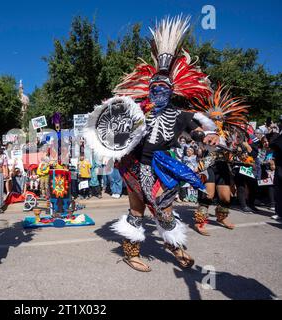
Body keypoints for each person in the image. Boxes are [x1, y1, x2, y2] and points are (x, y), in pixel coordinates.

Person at [108, 16, 219, 272]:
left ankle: (175, 245)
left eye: (162, 88)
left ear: (172, 91)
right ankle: (131, 252)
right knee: (137, 211)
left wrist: (208, 137)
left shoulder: (182, 116)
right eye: (153, 88)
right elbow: (115, 133)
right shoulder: (137, 112)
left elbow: (199, 131)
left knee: (165, 210)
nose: (157, 91)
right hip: (134, 165)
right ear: (147, 90)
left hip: (162, 166)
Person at [190, 84, 250, 234]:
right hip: (208, 164)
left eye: (221, 118)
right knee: (208, 195)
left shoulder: (228, 134)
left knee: (226, 197)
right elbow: (202, 142)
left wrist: (240, 150)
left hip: (223, 165)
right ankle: (199, 221)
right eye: (216, 118)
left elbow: (240, 148)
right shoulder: (205, 131)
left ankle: (221, 217)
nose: (219, 120)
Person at [270, 132, 282, 220]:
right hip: (280, 167)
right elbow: (272, 144)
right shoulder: (279, 138)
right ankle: (279, 212)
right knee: (278, 190)